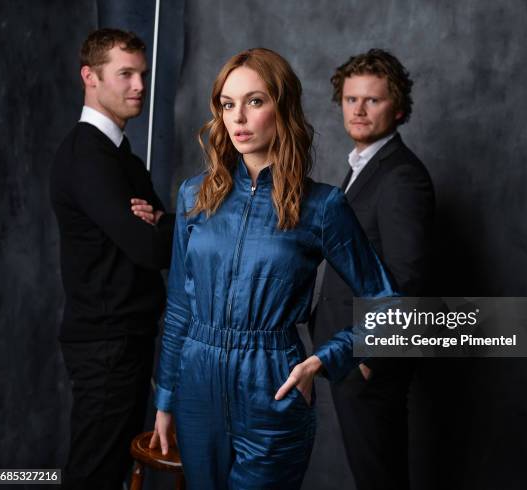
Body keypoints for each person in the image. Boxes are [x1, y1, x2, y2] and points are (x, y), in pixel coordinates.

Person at [148, 47, 398, 489]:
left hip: (272, 387)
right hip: (196, 389)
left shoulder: (322, 205)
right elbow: (181, 307)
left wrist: (324, 360)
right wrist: (166, 397)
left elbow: (389, 305)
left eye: (255, 101)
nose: (238, 117)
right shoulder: (194, 196)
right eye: (228, 104)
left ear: (281, 108)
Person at [50, 28, 175, 489]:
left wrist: (162, 222)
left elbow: (161, 232)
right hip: (107, 345)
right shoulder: (89, 156)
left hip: (123, 339)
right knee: (95, 476)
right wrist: (162, 226)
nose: (140, 85)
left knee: (108, 471)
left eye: (142, 74)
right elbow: (151, 248)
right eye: (125, 74)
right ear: (91, 77)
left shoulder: (119, 155)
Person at [310, 49, 435, 490]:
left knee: (379, 478)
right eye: (350, 99)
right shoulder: (361, 167)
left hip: (368, 360)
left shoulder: (401, 177)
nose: (359, 110)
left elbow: (407, 276)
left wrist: (370, 359)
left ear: (397, 108)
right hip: (346, 352)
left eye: (373, 101)